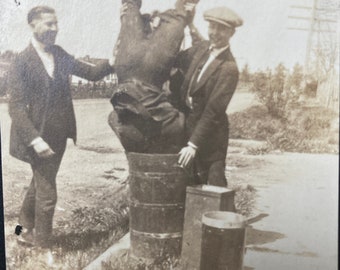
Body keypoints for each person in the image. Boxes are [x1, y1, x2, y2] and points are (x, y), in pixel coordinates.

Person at [8, 6, 114, 248]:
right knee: (47, 194)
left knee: (40, 181)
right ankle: (43, 250)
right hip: (35, 139)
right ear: (33, 25)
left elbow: (91, 73)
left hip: (58, 136)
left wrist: (113, 62)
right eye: (49, 24)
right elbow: (15, 108)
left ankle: (21, 230)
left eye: (56, 24)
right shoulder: (21, 62)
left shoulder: (59, 54)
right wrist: (35, 139)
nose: (55, 29)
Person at [108, 0, 198, 153]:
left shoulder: (119, 122)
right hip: (143, 81)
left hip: (130, 75)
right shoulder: (170, 125)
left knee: (177, 17)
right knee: (178, 16)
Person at [175, 7, 243, 187]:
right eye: (212, 27)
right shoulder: (203, 49)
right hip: (190, 131)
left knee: (214, 189)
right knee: (191, 187)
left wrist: (193, 145)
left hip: (211, 140)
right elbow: (177, 56)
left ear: (232, 33)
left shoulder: (229, 69)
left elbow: (213, 111)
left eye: (221, 29)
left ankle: (229, 215)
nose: (215, 33)